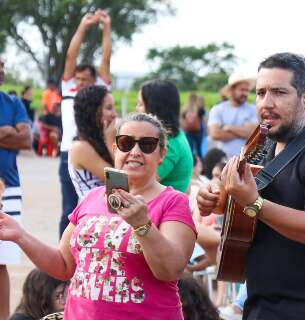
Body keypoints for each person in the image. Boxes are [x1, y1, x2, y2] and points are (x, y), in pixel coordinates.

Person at [197, 53, 305, 320]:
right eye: (261, 92)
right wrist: (218, 200)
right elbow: (242, 203)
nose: (267, 103)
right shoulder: (262, 146)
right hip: (260, 307)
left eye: (279, 92)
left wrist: (254, 204)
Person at [0, 113, 197, 319]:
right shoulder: (92, 197)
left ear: (162, 154)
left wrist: (142, 225)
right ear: (115, 149)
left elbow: (170, 270)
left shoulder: (173, 202)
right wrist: (20, 235)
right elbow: (63, 265)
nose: (135, 151)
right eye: (126, 142)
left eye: (147, 145)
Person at [58, 10, 112, 237]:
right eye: (77, 78)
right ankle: (64, 255)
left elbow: (106, 59)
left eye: (84, 79)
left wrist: (106, 28)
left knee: (99, 203)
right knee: (69, 209)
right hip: (67, 152)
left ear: (94, 81)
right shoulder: (69, 90)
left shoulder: (98, 94)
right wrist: (83, 26)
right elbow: (71, 57)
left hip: (96, 147)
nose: (79, 82)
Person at [0, 57, 32, 320]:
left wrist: (14, 135)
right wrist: (5, 131)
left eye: (2, 66)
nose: (1, 72)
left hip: (8, 188)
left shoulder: (13, 103)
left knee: (1, 263)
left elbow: (26, 139)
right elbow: (16, 136)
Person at [137, 79, 193, 192]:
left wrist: (110, 141)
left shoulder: (170, 144)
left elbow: (140, 183)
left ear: (154, 108)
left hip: (165, 207)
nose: (137, 109)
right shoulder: (174, 135)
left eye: (140, 104)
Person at [68, 85, 117, 198]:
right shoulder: (80, 147)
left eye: (114, 108)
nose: (115, 114)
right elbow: (120, 181)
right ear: (92, 111)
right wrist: (111, 141)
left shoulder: (101, 140)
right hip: (95, 213)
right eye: (109, 108)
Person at [208, 72, 258, 159]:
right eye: (242, 90)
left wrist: (229, 127)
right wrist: (243, 131)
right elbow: (214, 134)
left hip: (246, 161)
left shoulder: (253, 109)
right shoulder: (218, 109)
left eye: (247, 90)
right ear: (232, 90)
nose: (245, 93)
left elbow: (253, 135)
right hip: (223, 161)